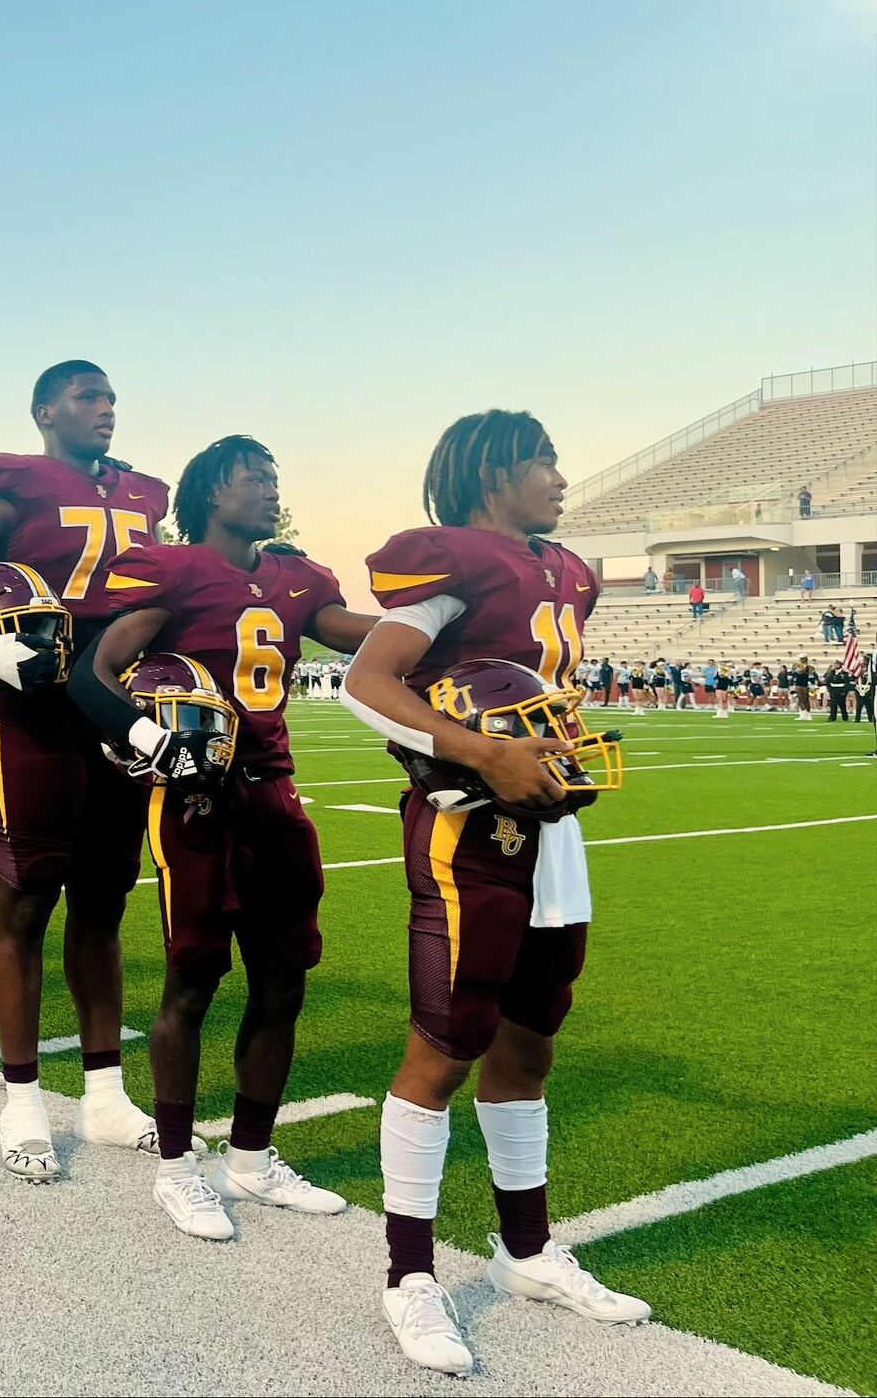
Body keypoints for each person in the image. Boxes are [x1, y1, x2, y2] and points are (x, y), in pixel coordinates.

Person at [341, 410, 648, 1377]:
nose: (560, 474)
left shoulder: (563, 568)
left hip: (553, 830)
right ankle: (408, 1275)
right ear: (493, 471)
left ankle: (526, 1250)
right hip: (468, 827)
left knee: (531, 1043)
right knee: (445, 1043)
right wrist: (479, 750)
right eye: (543, 460)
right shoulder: (457, 560)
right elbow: (366, 679)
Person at [70, 435, 375, 1240]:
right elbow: (91, 671)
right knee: (192, 981)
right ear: (211, 491)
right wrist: (146, 742)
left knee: (283, 980)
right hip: (198, 799)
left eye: (275, 475)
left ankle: (251, 1155)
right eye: (254, 478)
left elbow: (360, 636)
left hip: (276, 792)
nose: (270, 489)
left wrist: (446, 624)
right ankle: (177, 1166)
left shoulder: (296, 575)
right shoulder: (172, 568)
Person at [0, 359, 170, 1180]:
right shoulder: (12, 485)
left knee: (102, 903)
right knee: (24, 901)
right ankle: (21, 1097)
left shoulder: (143, 494)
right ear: (45, 410)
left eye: (114, 398)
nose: (107, 410)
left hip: (115, 707)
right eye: (90, 396)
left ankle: (105, 1095)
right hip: (34, 707)